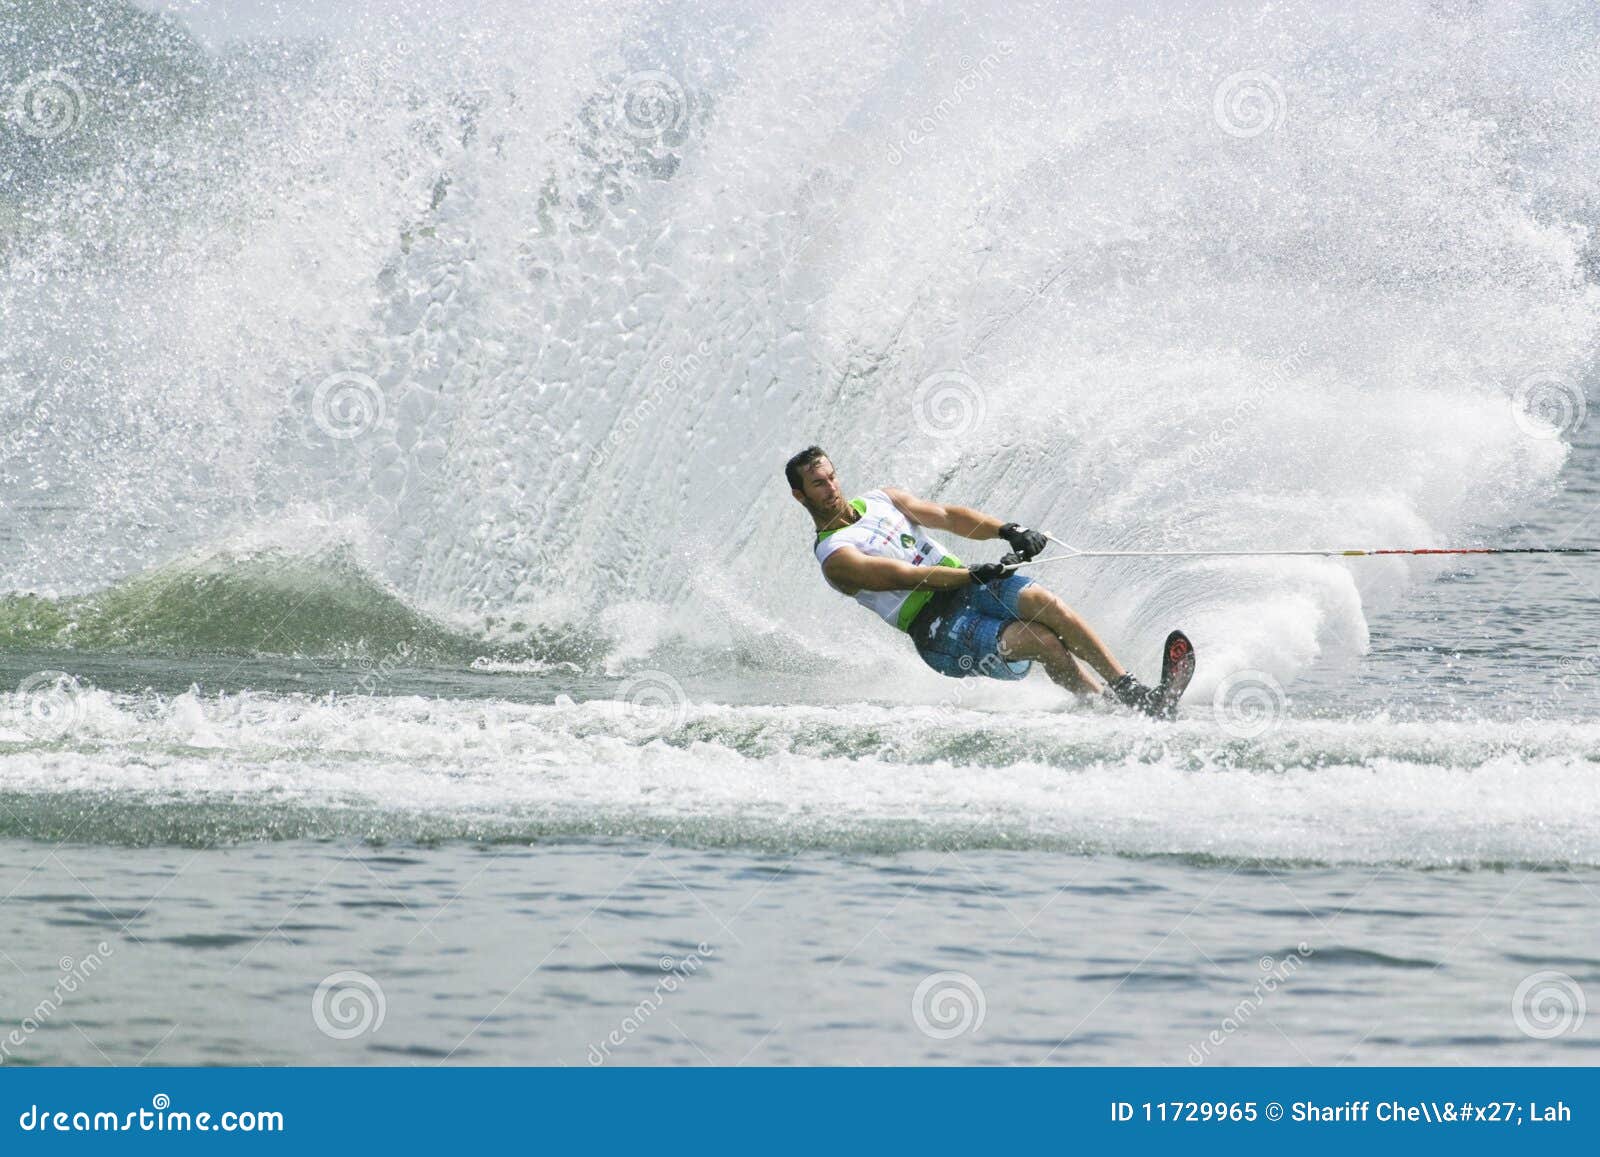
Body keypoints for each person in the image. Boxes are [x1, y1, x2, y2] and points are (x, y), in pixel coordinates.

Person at [786, 444, 1172, 712]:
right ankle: (1103, 707)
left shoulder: (881, 499)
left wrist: (1008, 530)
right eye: (818, 484)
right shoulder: (835, 556)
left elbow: (949, 516)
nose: (832, 488)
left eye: (832, 477)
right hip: (936, 629)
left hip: (969, 585)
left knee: (1044, 603)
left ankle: (1132, 692)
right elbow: (907, 577)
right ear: (800, 496)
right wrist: (971, 573)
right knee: (1044, 642)